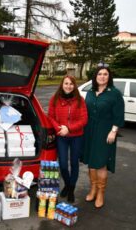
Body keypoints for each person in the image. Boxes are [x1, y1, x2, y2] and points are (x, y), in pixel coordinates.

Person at [82, 64, 125, 209]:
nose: (102, 76)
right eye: (99, 74)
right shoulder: (90, 92)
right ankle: (93, 188)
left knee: (101, 163)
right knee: (91, 162)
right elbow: (84, 111)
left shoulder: (114, 93)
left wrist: (113, 131)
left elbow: (119, 115)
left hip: (105, 132)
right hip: (89, 131)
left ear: (109, 77)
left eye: (105, 74)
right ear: (95, 77)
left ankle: (101, 193)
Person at [47, 75, 88, 203]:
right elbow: (51, 116)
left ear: (74, 86)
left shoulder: (80, 100)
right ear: (62, 84)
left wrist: (69, 129)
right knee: (63, 165)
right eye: (66, 83)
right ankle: (67, 184)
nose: (68, 86)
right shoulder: (55, 99)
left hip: (76, 136)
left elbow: (84, 120)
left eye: (71, 84)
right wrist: (59, 129)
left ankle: (71, 189)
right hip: (62, 136)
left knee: (74, 163)